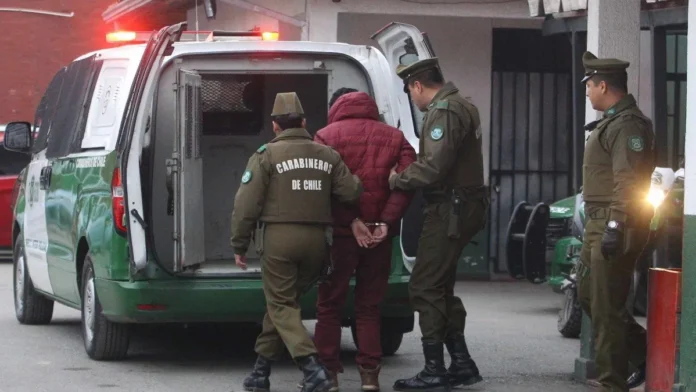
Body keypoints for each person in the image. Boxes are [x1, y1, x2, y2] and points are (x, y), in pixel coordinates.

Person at [231, 92, 363, 392]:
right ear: (304, 122)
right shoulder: (327, 155)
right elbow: (352, 192)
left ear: (275, 126)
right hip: (318, 242)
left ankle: (313, 368)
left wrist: (239, 245)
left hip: (279, 241)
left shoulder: (265, 155)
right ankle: (260, 372)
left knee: (280, 305)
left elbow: (245, 205)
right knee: (283, 305)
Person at [387, 58, 488, 392]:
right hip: (463, 208)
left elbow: (433, 168)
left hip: (449, 210)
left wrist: (397, 179)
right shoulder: (464, 104)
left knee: (425, 286)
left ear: (418, 85)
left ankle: (435, 370)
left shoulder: (443, 111)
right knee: (440, 286)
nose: (413, 99)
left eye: (410, 91)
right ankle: (461, 363)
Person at [310, 87, 417, 391]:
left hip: (342, 237)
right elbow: (407, 183)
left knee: (329, 306)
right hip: (379, 238)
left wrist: (351, 221)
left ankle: (328, 375)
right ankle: (370, 376)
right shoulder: (395, 138)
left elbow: (323, 186)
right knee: (369, 308)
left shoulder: (325, 136)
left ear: (336, 107)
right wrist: (384, 222)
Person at [576, 51, 656, 392]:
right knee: (588, 297)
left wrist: (615, 225)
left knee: (607, 308)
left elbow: (629, 179)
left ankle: (612, 383)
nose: (588, 92)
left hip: (613, 224)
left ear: (603, 85)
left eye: (589, 86)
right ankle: (649, 355)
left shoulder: (628, 126)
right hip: (598, 223)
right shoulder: (611, 122)